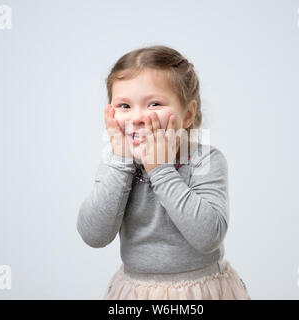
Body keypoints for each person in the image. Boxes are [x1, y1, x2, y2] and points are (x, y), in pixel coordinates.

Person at [77, 45, 251, 300]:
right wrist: (121, 163)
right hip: (137, 292)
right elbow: (93, 235)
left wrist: (160, 169)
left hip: (199, 291)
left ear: (188, 114)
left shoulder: (205, 161)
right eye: (124, 106)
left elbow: (208, 237)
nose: (137, 117)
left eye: (154, 103)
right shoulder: (116, 165)